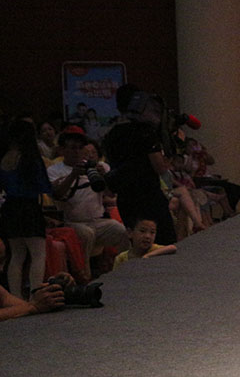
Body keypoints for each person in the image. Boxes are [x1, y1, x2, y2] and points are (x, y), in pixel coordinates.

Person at [47, 126, 130, 282]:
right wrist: (73, 175)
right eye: (73, 148)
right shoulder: (54, 170)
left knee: (121, 231)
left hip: (98, 221)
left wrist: (104, 177)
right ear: (62, 149)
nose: (77, 151)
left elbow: (111, 194)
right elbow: (57, 194)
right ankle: (86, 278)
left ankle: (124, 273)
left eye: (80, 148)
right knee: (86, 234)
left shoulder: (96, 167)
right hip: (71, 222)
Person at [102, 84, 177, 245]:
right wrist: (170, 147)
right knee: (162, 244)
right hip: (148, 195)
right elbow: (160, 167)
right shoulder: (145, 132)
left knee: (138, 245)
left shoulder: (112, 134)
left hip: (125, 197)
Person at [1, 120, 53, 299]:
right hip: (29, 208)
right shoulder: (31, 159)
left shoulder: (4, 158)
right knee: (38, 254)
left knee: (16, 255)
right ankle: (35, 295)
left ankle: (16, 298)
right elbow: (44, 186)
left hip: (10, 208)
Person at [112, 216, 176, 270]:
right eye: (142, 231)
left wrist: (147, 256)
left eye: (152, 232)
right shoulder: (121, 259)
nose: (148, 236)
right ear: (130, 233)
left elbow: (172, 248)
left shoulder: (155, 249)